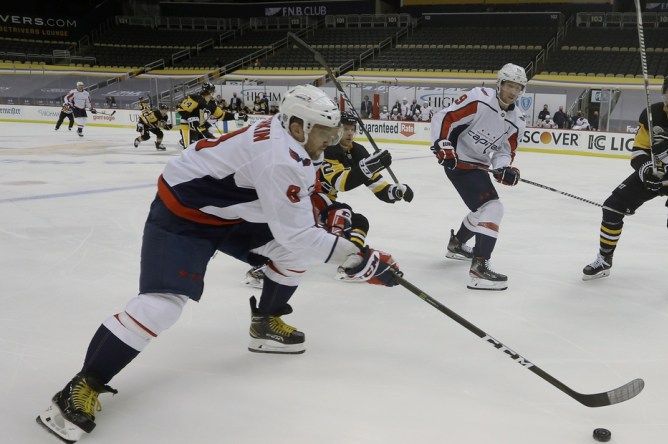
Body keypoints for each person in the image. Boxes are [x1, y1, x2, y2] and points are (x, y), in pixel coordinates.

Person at [36, 84, 401, 443]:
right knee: (162, 306)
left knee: (293, 256)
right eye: (324, 131)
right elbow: (298, 232)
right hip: (184, 215)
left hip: (229, 211)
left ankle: (265, 322)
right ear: (297, 127)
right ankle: (81, 385)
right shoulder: (278, 157)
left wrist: (331, 209)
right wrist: (359, 258)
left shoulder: (292, 144)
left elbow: (305, 195)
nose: (332, 138)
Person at [581, 71, 668, 297]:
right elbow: (638, 152)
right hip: (655, 173)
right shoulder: (652, 114)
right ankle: (604, 260)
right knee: (612, 207)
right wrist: (645, 170)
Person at [243, 111, 414, 287]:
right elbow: (341, 182)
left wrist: (395, 191)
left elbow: (376, 184)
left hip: (322, 202)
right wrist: (370, 166)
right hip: (303, 197)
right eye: (345, 128)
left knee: (360, 222)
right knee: (334, 215)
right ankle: (263, 268)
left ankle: (349, 265)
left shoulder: (357, 151)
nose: (349, 133)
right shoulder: (328, 149)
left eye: (352, 129)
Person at [429, 63, 527, 291]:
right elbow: (446, 118)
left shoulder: (518, 120)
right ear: (500, 83)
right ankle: (479, 268)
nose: (512, 91)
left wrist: (504, 168)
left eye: (518, 87)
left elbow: (505, 151)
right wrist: (443, 144)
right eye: (509, 85)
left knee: (482, 210)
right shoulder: (479, 99)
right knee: (493, 208)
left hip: (478, 166)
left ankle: (457, 244)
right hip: (457, 160)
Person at [176, 82, 247, 147]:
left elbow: (222, 115)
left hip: (201, 128)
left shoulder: (212, 104)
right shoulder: (195, 98)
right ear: (210, 92)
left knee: (212, 147)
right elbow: (181, 110)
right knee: (190, 150)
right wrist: (192, 118)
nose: (214, 93)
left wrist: (236, 116)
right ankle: (184, 141)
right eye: (213, 91)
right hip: (189, 128)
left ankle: (184, 141)